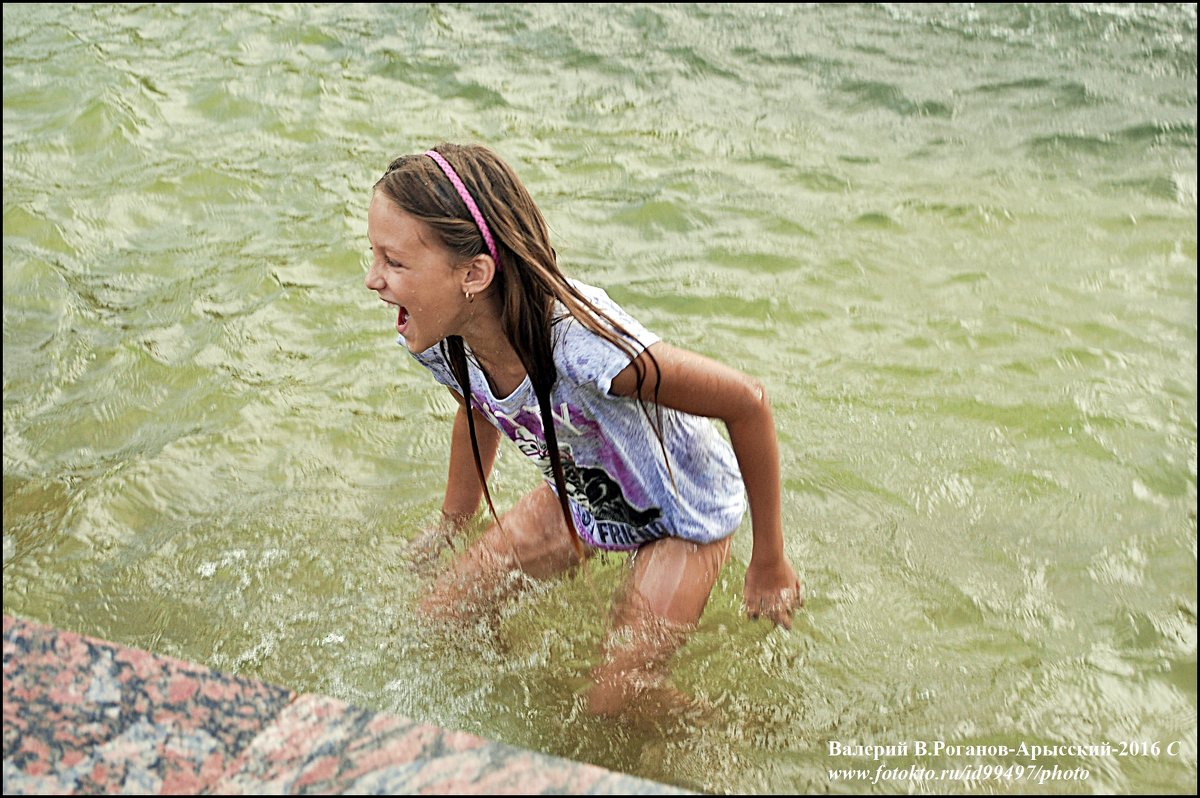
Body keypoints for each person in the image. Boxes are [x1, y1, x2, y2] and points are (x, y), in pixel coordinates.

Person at [364, 143, 802, 715]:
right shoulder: (437, 337)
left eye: (393, 262)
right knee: (439, 620)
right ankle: (530, 700)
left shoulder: (587, 349)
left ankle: (743, 728)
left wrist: (769, 561)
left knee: (610, 704)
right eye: (372, 255)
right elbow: (477, 408)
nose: (373, 280)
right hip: (587, 493)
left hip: (683, 511)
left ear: (473, 274)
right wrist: (454, 521)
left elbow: (747, 401)